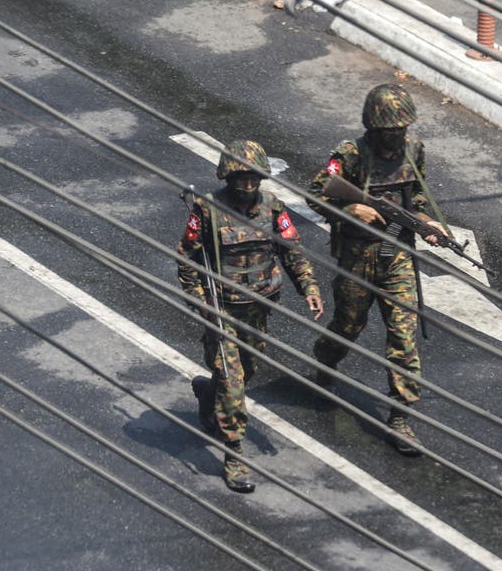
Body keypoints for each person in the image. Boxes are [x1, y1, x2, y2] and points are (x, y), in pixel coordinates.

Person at [177, 139, 324, 493]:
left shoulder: (273, 207)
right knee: (233, 378)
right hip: (222, 308)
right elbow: (186, 258)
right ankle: (234, 454)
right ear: (228, 176)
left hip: (258, 306)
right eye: (240, 177)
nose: (247, 185)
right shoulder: (208, 209)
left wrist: (310, 289)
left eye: (253, 178)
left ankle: (206, 393)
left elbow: (293, 252)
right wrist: (200, 301)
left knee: (248, 368)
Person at [307, 83, 447, 456]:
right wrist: (351, 210)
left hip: (397, 255)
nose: (396, 136)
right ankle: (325, 360)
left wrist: (426, 223)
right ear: (373, 127)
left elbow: (414, 195)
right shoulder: (351, 155)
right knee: (349, 325)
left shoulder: (414, 151)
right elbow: (316, 195)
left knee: (403, 336)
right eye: (389, 131)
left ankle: (400, 417)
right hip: (356, 255)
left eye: (401, 129)